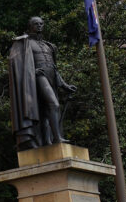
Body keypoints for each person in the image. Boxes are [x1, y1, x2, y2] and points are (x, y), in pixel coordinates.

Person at [8, 16, 76, 150]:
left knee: (45, 112)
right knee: (54, 104)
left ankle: (47, 141)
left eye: (41, 23)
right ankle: (57, 138)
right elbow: (15, 62)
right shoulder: (23, 43)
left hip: (50, 77)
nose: (39, 26)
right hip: (37, 77)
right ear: (30, 26)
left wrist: (64, 85)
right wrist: (31, 71)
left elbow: (53, 67)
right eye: (35, 24)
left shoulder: (48, 46)